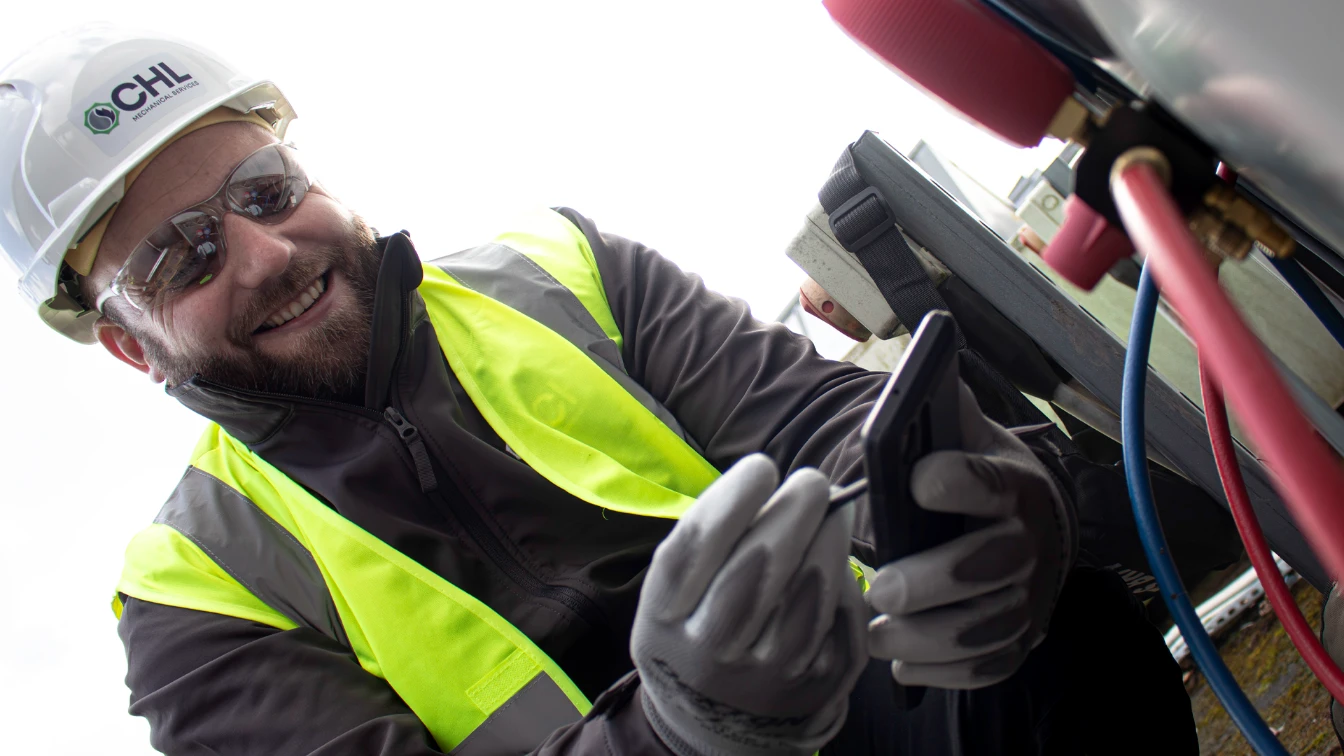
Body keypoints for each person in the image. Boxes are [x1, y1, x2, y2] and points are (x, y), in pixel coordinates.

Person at [1, 27, 1198, 755]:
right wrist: (692, 734)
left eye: (263, 191)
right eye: (183, 258)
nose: (263, 253)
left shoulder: (560, 270)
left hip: (866, 715)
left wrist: (981, 507)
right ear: (131, 347)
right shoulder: (190, 601)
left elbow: (821, 422)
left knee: (1059, 635)